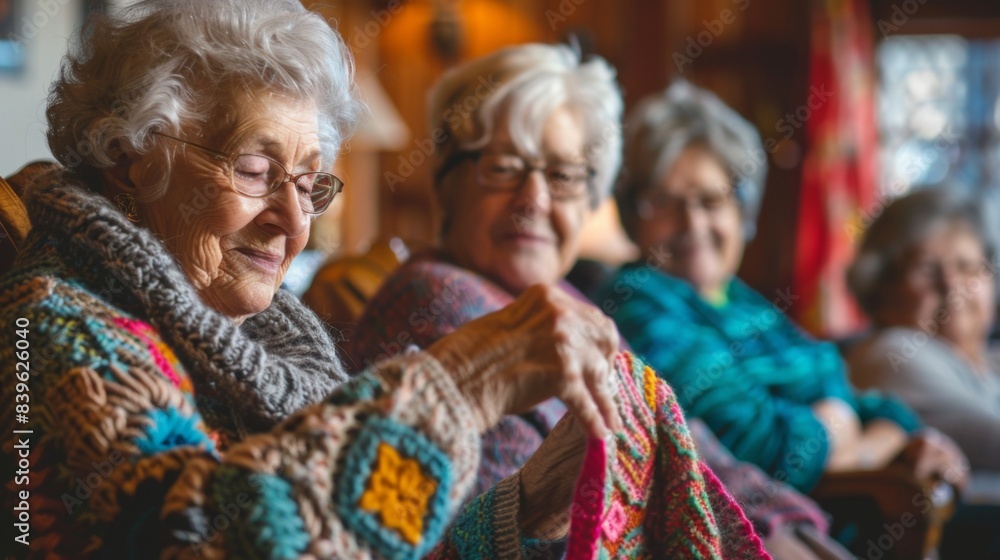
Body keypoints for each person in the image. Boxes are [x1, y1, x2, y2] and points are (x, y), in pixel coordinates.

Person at [0, 2, 626, 557]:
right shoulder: (57, 328)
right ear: (131, 160)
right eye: (253, 170)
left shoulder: (271, 342)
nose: (293, 222)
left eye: (308, 184)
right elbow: (203, 543)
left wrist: (529, 509)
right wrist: (459, 389)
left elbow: (360, 538)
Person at [344, 43, 840, 559]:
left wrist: (790, 531)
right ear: (447, 184)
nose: (534, 199)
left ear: (588, 198)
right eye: (504, 167)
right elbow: (500, 526)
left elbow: (697, 451)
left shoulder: (567, 303)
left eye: (562, 176)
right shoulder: (437, 299)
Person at [595, 80, 968, 495]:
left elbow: (887, 414)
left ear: (742, 211)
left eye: (712, 200)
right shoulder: (637, 302)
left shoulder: (743, 303)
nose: (694, 224)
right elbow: (763, 446)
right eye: (665, 201)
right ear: (633, 213)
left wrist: (860, 445)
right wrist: (844, 431)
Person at [847, 187, 1000, 560]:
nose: (952, 287)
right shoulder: (893, 353)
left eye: (967, 267)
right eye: (927, 269)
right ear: (881, 287)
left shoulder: (985, 360)